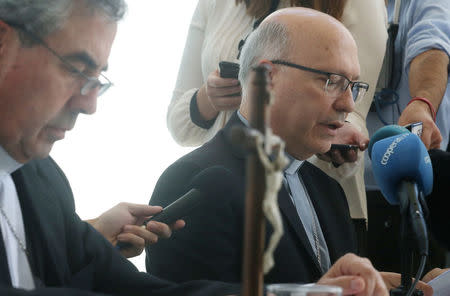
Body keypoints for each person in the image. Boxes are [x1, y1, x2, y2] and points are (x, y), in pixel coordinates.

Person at [0, 0, 393, 295]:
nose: (89, 104)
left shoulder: (42, 180)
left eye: (97, 77)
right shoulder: (200, 178)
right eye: (75, 69)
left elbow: (140, 291)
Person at [147, 8, 437, 293]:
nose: (348, 104)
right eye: (331, 81)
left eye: (352, 86)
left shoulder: (329, 190)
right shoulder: (193, 181)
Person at [166, 0, 387, 242]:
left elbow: (352, 107)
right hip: (222, 184)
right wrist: (208, 99)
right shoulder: (216, 3)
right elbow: (178, 124)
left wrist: (338, 132)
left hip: (317, 201)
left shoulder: (362, 4)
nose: (347, 102)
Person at [364, 0, 450, 272]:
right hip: (344, 186)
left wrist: (422, 102)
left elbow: (432, 46)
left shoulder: (422, 4)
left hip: (413, 192)